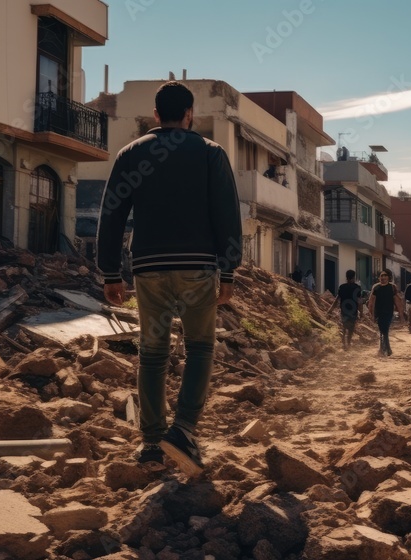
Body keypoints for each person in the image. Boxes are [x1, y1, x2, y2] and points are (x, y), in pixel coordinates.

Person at [97, 81, 241, 476]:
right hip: (197, 266)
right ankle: (184, 431)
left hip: (148, 267)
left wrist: (110, 271)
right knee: (199, 347)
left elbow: (111, 214)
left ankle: (150, 444)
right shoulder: (210, 153)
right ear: (189, 114)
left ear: (156, 115)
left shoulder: (131, 153)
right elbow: (226, 213)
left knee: (153, 352)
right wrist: (228, 270)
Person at [366, 269, 403, 356]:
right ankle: (386, 349)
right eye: (381, 276)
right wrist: (371, 312)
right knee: (382, 330)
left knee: (384, 329)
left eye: (385, 275)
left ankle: (383, 349)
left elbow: (397, 300)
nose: (383, 277)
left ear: (388, 277)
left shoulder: (392, 287)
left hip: (389, 312)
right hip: (378, 312)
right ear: (379, 278)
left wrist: (401, 314)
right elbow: (371, 301)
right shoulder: (376, 287)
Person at [328, 269, 362, 350]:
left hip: (344, 311)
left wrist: (330, 310)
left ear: (346, 277)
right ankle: (348, 344)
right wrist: (362, 313)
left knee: (344, 326)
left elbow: (336, 300)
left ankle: (343, 344)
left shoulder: (342, 287)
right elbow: (360, 301)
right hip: (353, 312)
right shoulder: (357, 288)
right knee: (351, 329)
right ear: (354, 277)